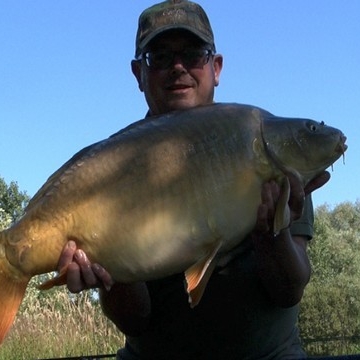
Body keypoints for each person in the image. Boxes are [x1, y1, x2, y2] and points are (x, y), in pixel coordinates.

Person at [58, 1, 330, 359]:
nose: (179, 67)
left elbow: (289, 291)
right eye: (160, 57)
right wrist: (108, 272)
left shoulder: (267, 147)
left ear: (216, 68)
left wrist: (271, 234)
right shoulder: (112, 168)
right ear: (138, 73)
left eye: (193, 54)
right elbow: (136, 319)